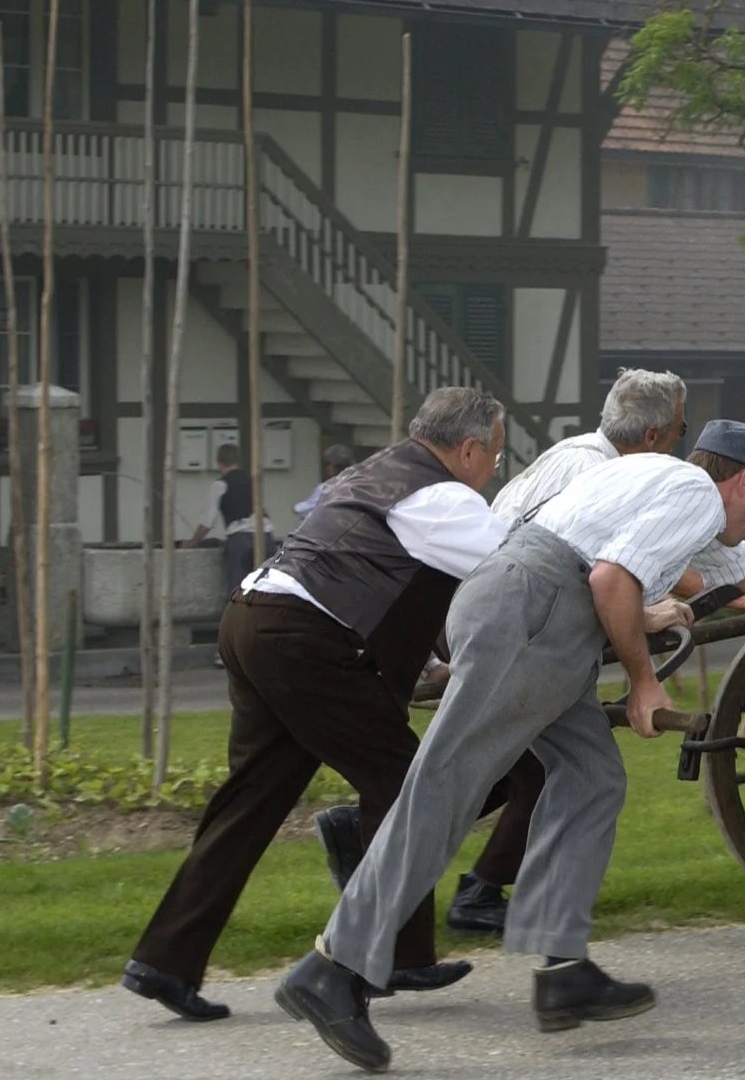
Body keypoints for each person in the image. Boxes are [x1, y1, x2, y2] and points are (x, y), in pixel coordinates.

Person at [277, 419, 745, 1072]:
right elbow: (611, 579)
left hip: (536, 612)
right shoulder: (695, 493)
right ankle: (332, 968)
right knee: (443, 788)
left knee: (591, 776)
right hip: (534, 614)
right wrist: (644, 683)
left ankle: (563, 968)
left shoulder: (662, 483)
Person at [119, 388, 509, 1021]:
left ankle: (164, 961)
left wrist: (434, 659)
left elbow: (398, 580)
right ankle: (392, 955)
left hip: (252, 615)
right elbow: (517, 571)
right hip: (302, 636)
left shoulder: (371, 472)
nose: (494, 467)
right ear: (468, 449)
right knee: (406, 785)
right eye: (495, 453)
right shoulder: (444, 498)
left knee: (251, 799)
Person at [314, 368, 697, 933]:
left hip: (486, 605)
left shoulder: (581, 456)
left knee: (517, 756)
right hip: (502, 615)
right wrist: (644, 614)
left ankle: (388, 851)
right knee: (546, 766)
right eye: (680, 431)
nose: (678, 444)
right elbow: (585, 572)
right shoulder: (598, 471)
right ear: (653, 435)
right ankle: (473, 894)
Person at [186, 442, 276, 594]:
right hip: (266, 537)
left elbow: (207, 522)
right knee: (267, 590)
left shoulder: (220, 485)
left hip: (240, 539)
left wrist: (192, 542)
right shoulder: (253, 481)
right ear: (238, 462)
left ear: (220, 463)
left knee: (238, 591)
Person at [292, 444, 355, 518]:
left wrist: (295, 508)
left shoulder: (327, 487)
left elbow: (304, 509)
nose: (326, 467)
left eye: (327, 463)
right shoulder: (358, 483)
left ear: (334, 464)